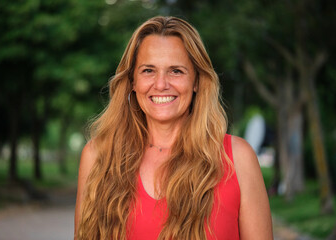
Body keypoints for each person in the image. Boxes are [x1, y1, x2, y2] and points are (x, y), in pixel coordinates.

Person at [74, 16, 272, 240]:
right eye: (148, 70)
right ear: (132, 81)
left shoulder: (237, 158)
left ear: (197, 81)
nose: (161, 84)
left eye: (176, 71)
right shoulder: (98, 156)